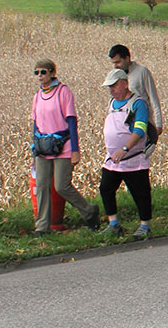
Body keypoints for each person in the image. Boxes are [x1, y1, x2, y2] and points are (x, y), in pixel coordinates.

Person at [30, 60, 100, 235]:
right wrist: (34, 150)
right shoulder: (38, 95)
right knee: (42, 186)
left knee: (61, 185)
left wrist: (75, 150)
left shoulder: (63, 92)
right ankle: (42, 226)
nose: (40, 76)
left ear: (53, 73)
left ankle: (89, 211)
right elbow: (35, 124)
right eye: (37, 72)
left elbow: (71, 121)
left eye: (43, 72)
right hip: (43, 148)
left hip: (63, 145)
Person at [98, 69, 153, 239]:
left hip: (133, 158)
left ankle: (145, 225)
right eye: (109, 87)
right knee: (106, 188)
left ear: (124, 83)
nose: (111, 90)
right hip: (113, 160)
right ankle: (113, 223)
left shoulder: (138, 103)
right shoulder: (112, 103)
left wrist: (125, 149)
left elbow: (140, 129)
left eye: (114, 85)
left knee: (140, 192)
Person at [108, 44, 163, 133]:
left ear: (127, 58)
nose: (115, 66)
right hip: (122, 126)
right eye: (113, 63)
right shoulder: (115, 75)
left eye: (118, 62)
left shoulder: (142, 72)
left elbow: (153, 98)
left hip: (143, 122)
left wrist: (158, 124)